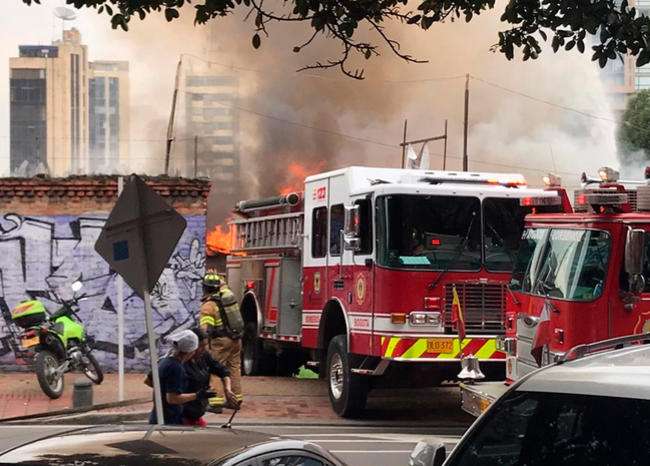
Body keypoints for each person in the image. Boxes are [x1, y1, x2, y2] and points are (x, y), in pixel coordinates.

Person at [147, 329, 216, 425]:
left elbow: (149, 381)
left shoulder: (164, 361)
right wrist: (197, 395)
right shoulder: (176, 368)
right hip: (169, 420)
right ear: (191, 351)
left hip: (159, 416)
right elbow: (172, 399)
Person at [199, 271, 244, 411]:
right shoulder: (227, 297)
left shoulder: (208, 306)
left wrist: (203, 345)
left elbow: (205, 329)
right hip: (236, 340)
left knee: (215, 369)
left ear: (205, 288)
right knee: (234, 369)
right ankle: (235, 401)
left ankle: (216, 402)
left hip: (221, 342)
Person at [182, 328, 239, 427]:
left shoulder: (204, 356)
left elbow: (222, 371)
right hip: (181, 417)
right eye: (201, 346)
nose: (203, 350)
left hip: (196, 414)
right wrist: (196, 395)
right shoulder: (179, 364)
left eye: (206, 346)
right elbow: (171, 397)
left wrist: (227, 390)